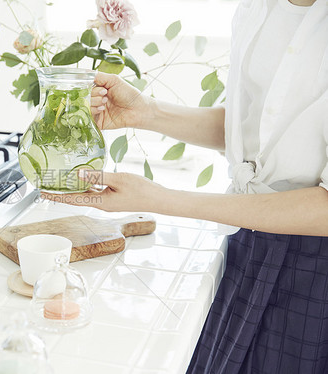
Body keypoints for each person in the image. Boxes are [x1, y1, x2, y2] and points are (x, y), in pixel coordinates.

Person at [41, 0, 328, 373]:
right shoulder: (257, 8)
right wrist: (147, 112)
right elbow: (252, 129)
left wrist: (162, 199)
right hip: (250, 242)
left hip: (315, 270)